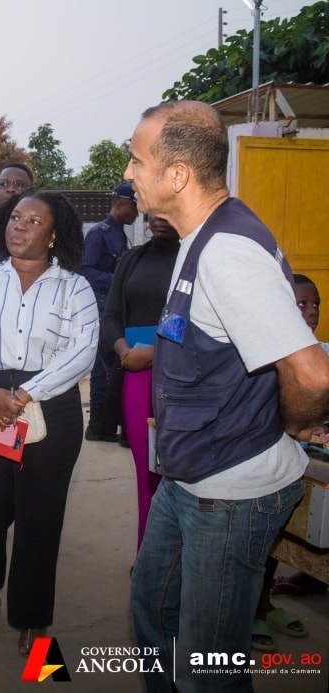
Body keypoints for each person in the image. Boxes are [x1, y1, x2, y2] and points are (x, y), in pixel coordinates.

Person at [126, 100, 329, 691]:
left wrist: (293, 422)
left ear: (177, 175)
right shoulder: (201, 235)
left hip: (230, 492)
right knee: (153, 612)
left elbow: (312, 375)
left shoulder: (227, 252)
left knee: (208, 668)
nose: (129, 172)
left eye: (137, 160)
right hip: (190, 476)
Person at [0, 191, 97, 657]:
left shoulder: (74, 287)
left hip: (50, 408)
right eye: (15, 217)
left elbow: (82, 351)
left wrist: (26, 394)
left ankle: (32, 619)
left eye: (34, 221)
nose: (20, 225)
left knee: (39, 518)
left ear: (53, 235)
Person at [250, 273, 329, 651]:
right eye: (302, 304)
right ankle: (252, 610)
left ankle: (265, 603)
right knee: (259, 544)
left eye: (316, 304)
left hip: (296, 466)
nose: (312, 311)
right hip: (263, 466)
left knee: (279, 540)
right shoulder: (265, 357)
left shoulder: (321, 353)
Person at [100, 215, 179, 552]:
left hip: (181, 375)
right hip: (136, 374)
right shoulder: (133, 259)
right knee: (146, 472)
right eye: (154, 212)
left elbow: (202, 320)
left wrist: (155, 352)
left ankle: (178, 557)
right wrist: (124, 351)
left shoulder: (196, 259)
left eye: (168, 211)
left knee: (178, 473)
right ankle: (147, 557)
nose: (160, 219)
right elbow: (111, 315)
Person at [80, 181, 137, 443]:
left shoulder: (119, 234)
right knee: (109, 370)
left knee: (105, 371)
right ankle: (101, 426)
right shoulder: (99, 234)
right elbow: (86, 270)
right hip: (101, 310)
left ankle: (100, 427)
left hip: (113, 309)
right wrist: (118, 281)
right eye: (134, 207)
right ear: (121, 203)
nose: (136, 213)